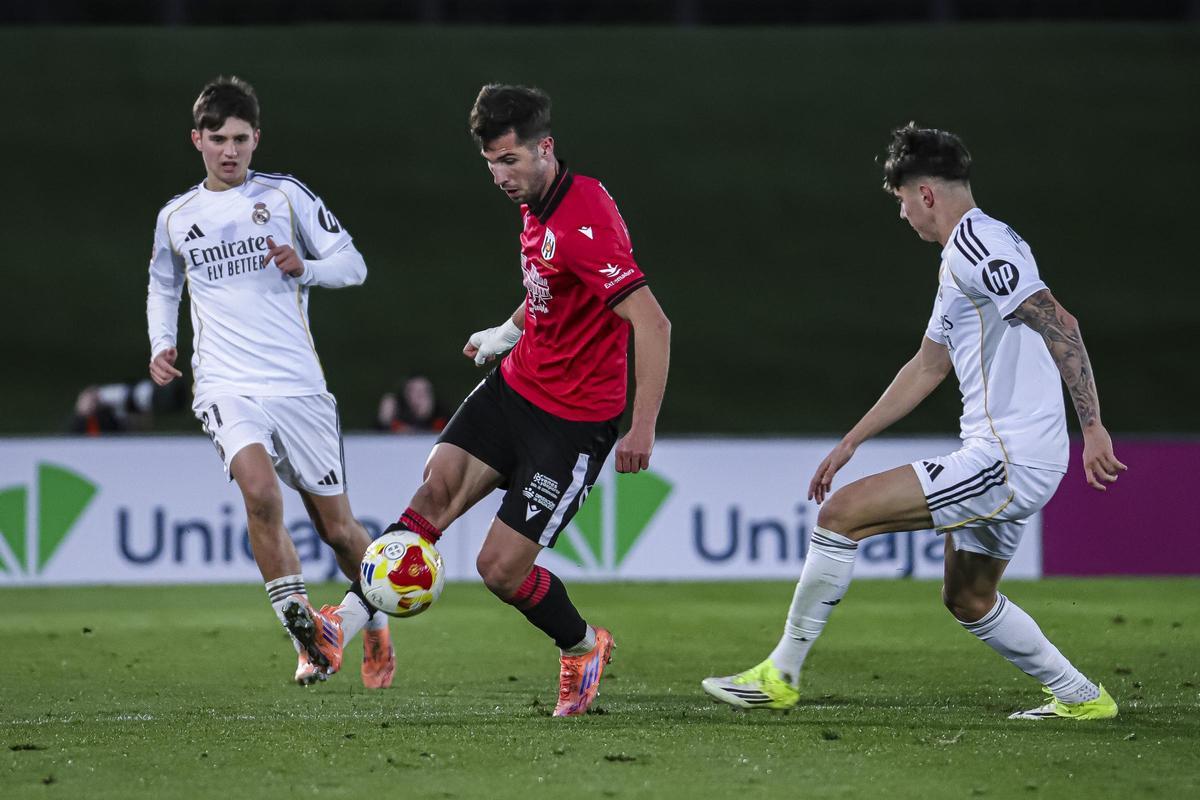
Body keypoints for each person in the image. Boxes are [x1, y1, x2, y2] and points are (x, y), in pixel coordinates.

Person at [702, 123, 1127, 721]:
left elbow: (1061, 323)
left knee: (841, 515)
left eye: (902, 200)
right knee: (969, 597)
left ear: (925, 194)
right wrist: (852, 440)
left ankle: (781, 674)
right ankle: (1083, 698)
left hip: (1006, 457)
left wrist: (1095, 428)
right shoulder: (968, 253)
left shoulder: (979, 246)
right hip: (1016, 455)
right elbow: (928, 365)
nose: (903, 214)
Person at [296, 83, 671, 716]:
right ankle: (340, 627)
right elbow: (554, 287)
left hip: (573, 423)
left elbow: (653, 323)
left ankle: (583, 647)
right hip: (516, 387)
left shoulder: (582, 223)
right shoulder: (540, 202)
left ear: (545, 148)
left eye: (510, 160)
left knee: (500, 569)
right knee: (433, 493)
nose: (500, 176)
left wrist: (643, 426)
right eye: (491, 163)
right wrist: (508, 330)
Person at [145, 76, 393, 689]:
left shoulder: (285, 197)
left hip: (297, 386)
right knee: (259, 494)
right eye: (218, 140)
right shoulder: (176, 217)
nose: (229, 151)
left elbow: (354, 265)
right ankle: (307, 641)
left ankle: (375, 618)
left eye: (240, 139)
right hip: (225, 383)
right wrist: (162, 343)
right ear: (197, 140)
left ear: (257, 138)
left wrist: (305, 267)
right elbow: (163, 286)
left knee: (339, 530)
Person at [375, 374, 448, 433]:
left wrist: (426, 416)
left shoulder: (441, 417)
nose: (420, 395)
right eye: (414, 391)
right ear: (405, 394)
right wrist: (384, 422)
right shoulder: (397, 417)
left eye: (425, 391)